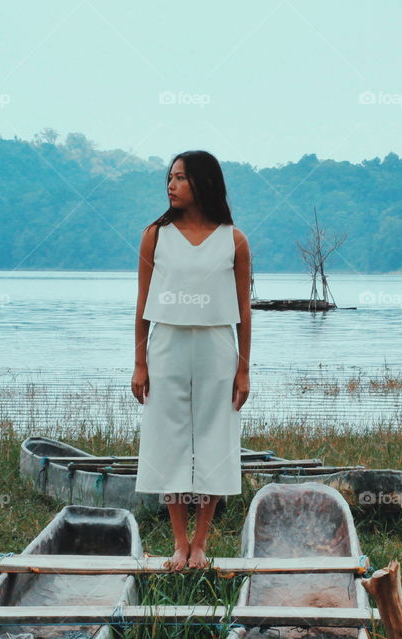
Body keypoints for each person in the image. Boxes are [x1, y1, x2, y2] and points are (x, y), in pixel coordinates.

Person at [131, 150, 252, 571]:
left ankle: (201, 543)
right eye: (170, 177)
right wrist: (139, 362)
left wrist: (244, 367)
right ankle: (178, 542)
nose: (171, 185)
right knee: (169, 439)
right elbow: (143, 302)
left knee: (215, 437)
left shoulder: (233, 239)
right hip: (166, 346)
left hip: (218, 347)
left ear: (202, 182)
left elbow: (243, 308)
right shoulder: (155, 235)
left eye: (180, 178)